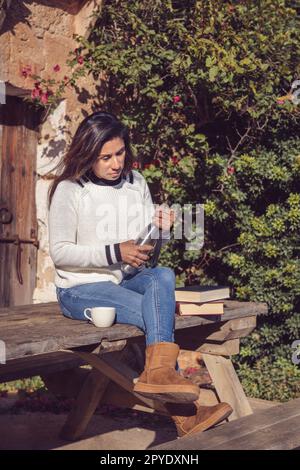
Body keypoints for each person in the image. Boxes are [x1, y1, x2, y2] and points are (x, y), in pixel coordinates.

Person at [48, 111, 232, 435]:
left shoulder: (137, 183)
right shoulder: (70, 189)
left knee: (162, 275)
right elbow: (60, 252)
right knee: (154, 315)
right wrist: (115, 251)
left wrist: (157, 232)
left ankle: (158, 375)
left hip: (126, 276)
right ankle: (186, 414)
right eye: (105, 157)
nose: (116, 163)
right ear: (87, 153)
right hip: (80, 288)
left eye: (120, 153)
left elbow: (148, 254)